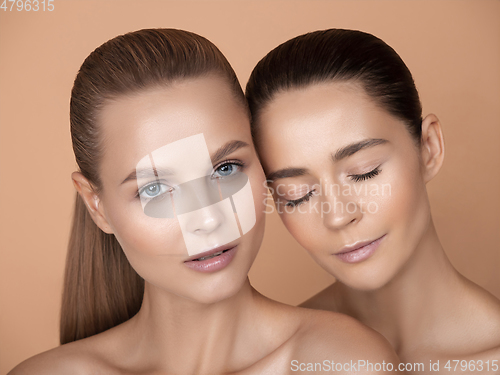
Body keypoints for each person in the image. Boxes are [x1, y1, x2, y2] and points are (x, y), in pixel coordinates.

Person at [8, 28, 400, 375]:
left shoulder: (345, 363)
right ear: (97, 206)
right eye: (155, 189)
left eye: (225, 169)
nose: (208, 220)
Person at [245, 28, 500, 367]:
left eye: (365, 172)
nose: (337, 216)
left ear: (429, 148)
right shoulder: (269, 362)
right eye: (297, 194)